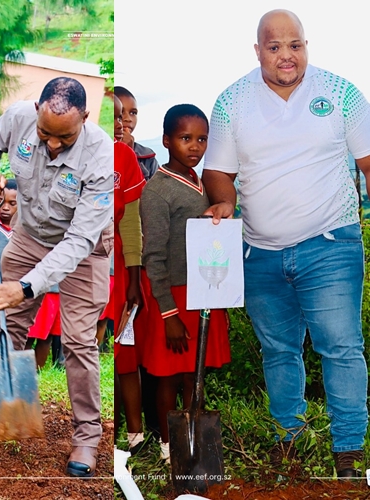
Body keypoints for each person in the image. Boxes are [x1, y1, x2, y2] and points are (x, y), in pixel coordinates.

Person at [203, 9, 369, 478]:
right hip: (260, 252)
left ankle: (349, 450)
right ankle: (288, 442)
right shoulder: (232, 101)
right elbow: (218, 172)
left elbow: (369, 163)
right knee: (278, 351)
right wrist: (221, 203)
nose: (286, 56)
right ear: (257, 50)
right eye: (274, 47)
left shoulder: (340, 94)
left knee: (340, 347)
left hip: (331, 242)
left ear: (306, 45)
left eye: (294, 45)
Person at [0, 76, 114, 477]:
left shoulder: (101, 157)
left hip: (83, 250)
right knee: (7, 321)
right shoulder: (19, 117)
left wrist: (28, 286)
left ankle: (87, 436)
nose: (52, 145)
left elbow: (80, 239)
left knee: (79, 341)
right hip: (30, 235)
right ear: (36, 111)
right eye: (45, 134)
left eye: (64, 138)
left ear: (85, 118)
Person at [140, 104, 231, 463]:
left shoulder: (200, 180)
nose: (194, 146)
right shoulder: (157, 191)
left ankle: (195, 438)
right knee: (169, 376)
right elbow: (154, 257)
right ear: (166, 140)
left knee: (195, 373)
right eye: (185, 138)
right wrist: (168, 313)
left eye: (201, 139)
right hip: (174, 297)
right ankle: (168, 444)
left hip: (203, 290)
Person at [111, 95, 146, 453]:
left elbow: (132, 221)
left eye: (123, 117)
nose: (121, 124)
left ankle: (134, 434)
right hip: (82, 260)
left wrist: (134, 277)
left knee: (125, 347)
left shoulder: (125, 157)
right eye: (114, 117)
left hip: (120, 267)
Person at [113, 86, 159, 180]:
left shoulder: (148, 159)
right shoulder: (96, 151)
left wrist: (130, 155)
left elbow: (153, 193)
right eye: (121, 112)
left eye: (133, 113)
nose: (128, 119)